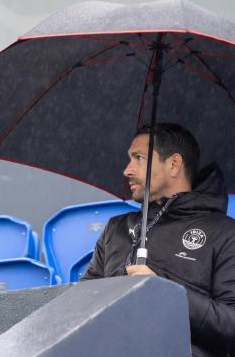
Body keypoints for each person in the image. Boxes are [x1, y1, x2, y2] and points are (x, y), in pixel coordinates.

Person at [83, 123, 235, 356]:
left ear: (174, 164)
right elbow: (81, 307)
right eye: (130, 158)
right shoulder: (116, 229)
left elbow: (231, 325)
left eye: (139, 158)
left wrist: (167, 293)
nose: (127, 170)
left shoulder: (224, 233)